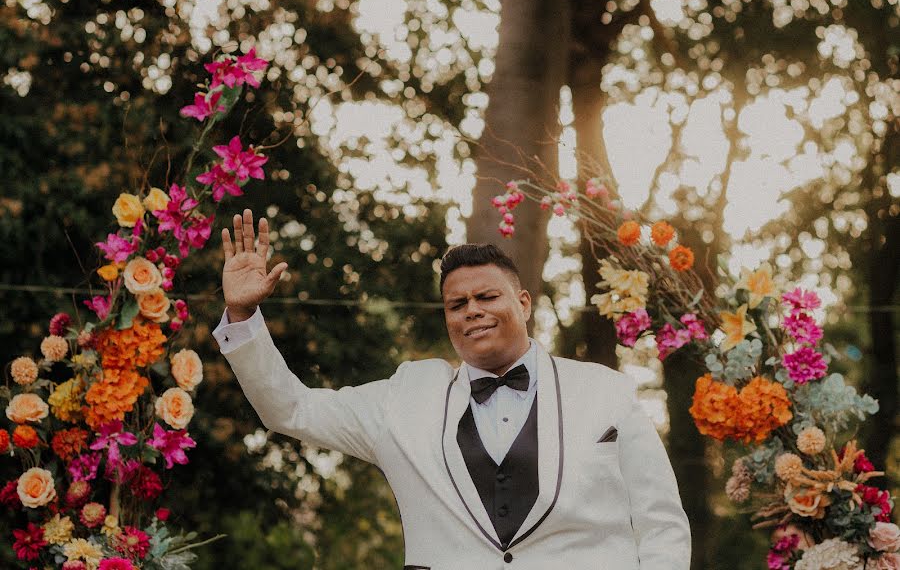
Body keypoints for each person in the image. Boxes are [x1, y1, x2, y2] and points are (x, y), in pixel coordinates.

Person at [214, 209, 691, 569]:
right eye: (456, 304)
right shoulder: (404, 398)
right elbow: (291, 409)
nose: (472, 311)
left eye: (487, 297)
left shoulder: (607, 391)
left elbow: (662, 525)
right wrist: (241, 317)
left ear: (522, 303)